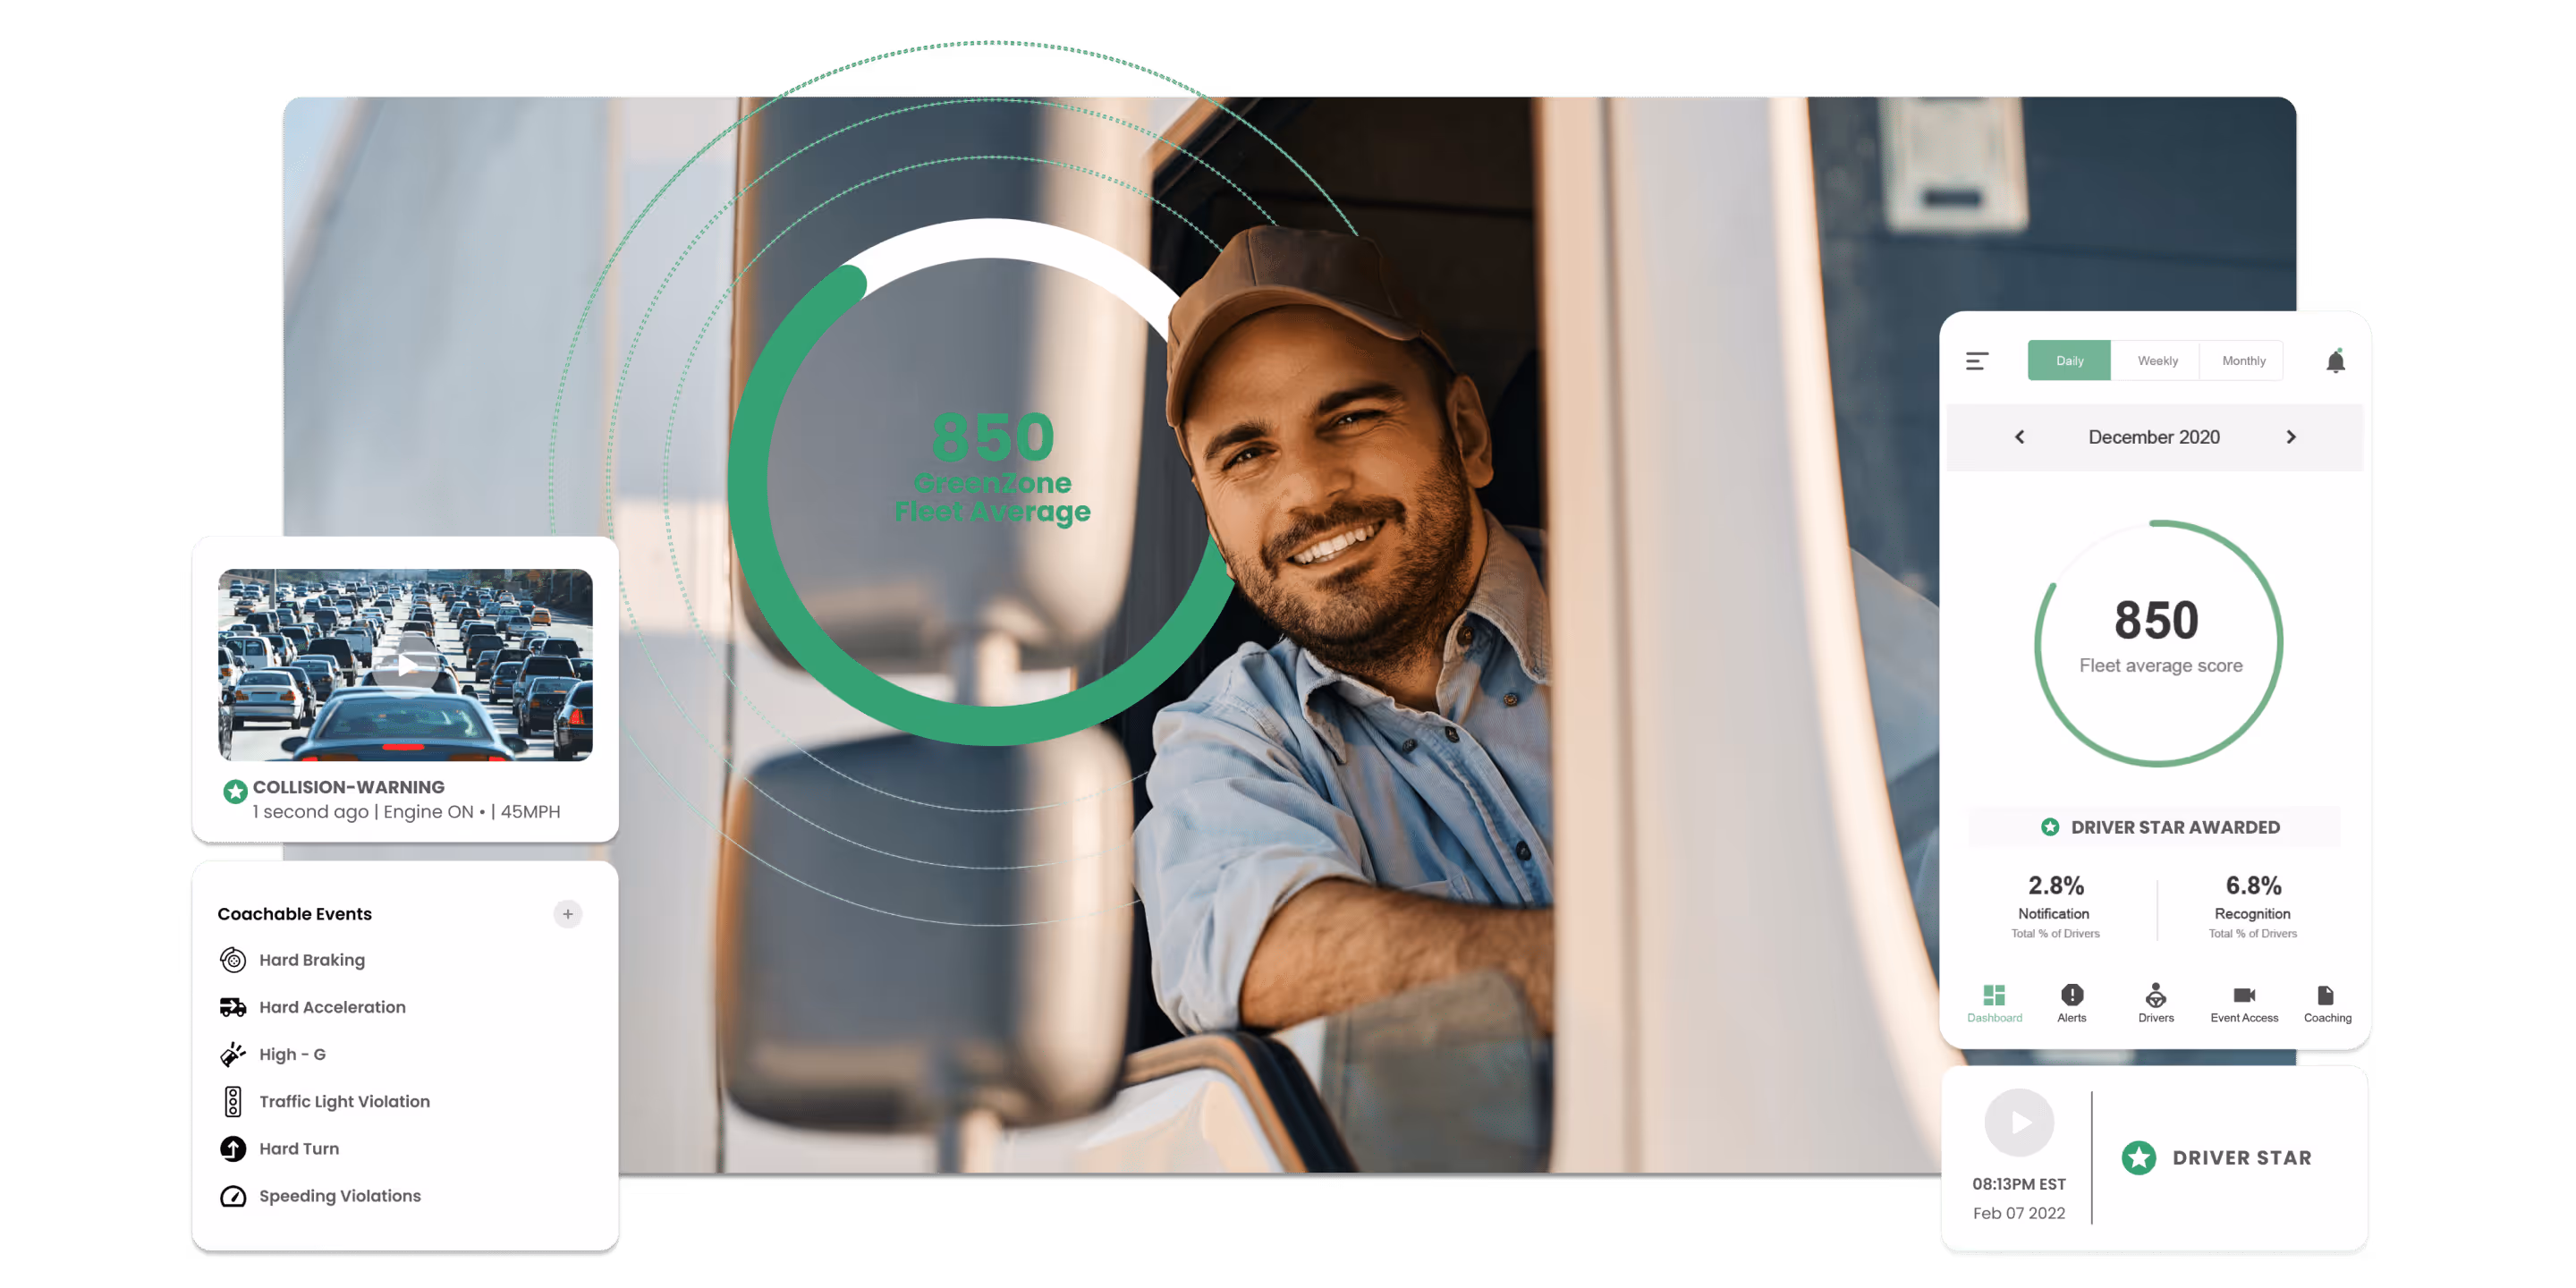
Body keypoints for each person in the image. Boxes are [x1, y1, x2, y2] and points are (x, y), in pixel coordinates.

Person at [1133, 227, 1557, 1037]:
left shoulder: (1699, 608)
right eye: (1247, 454)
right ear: (1215, 526)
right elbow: (1256, 951)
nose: (1308, 490)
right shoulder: (1229, 742)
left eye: (1354, 416)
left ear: (1466, 435)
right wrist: (1659, 974)